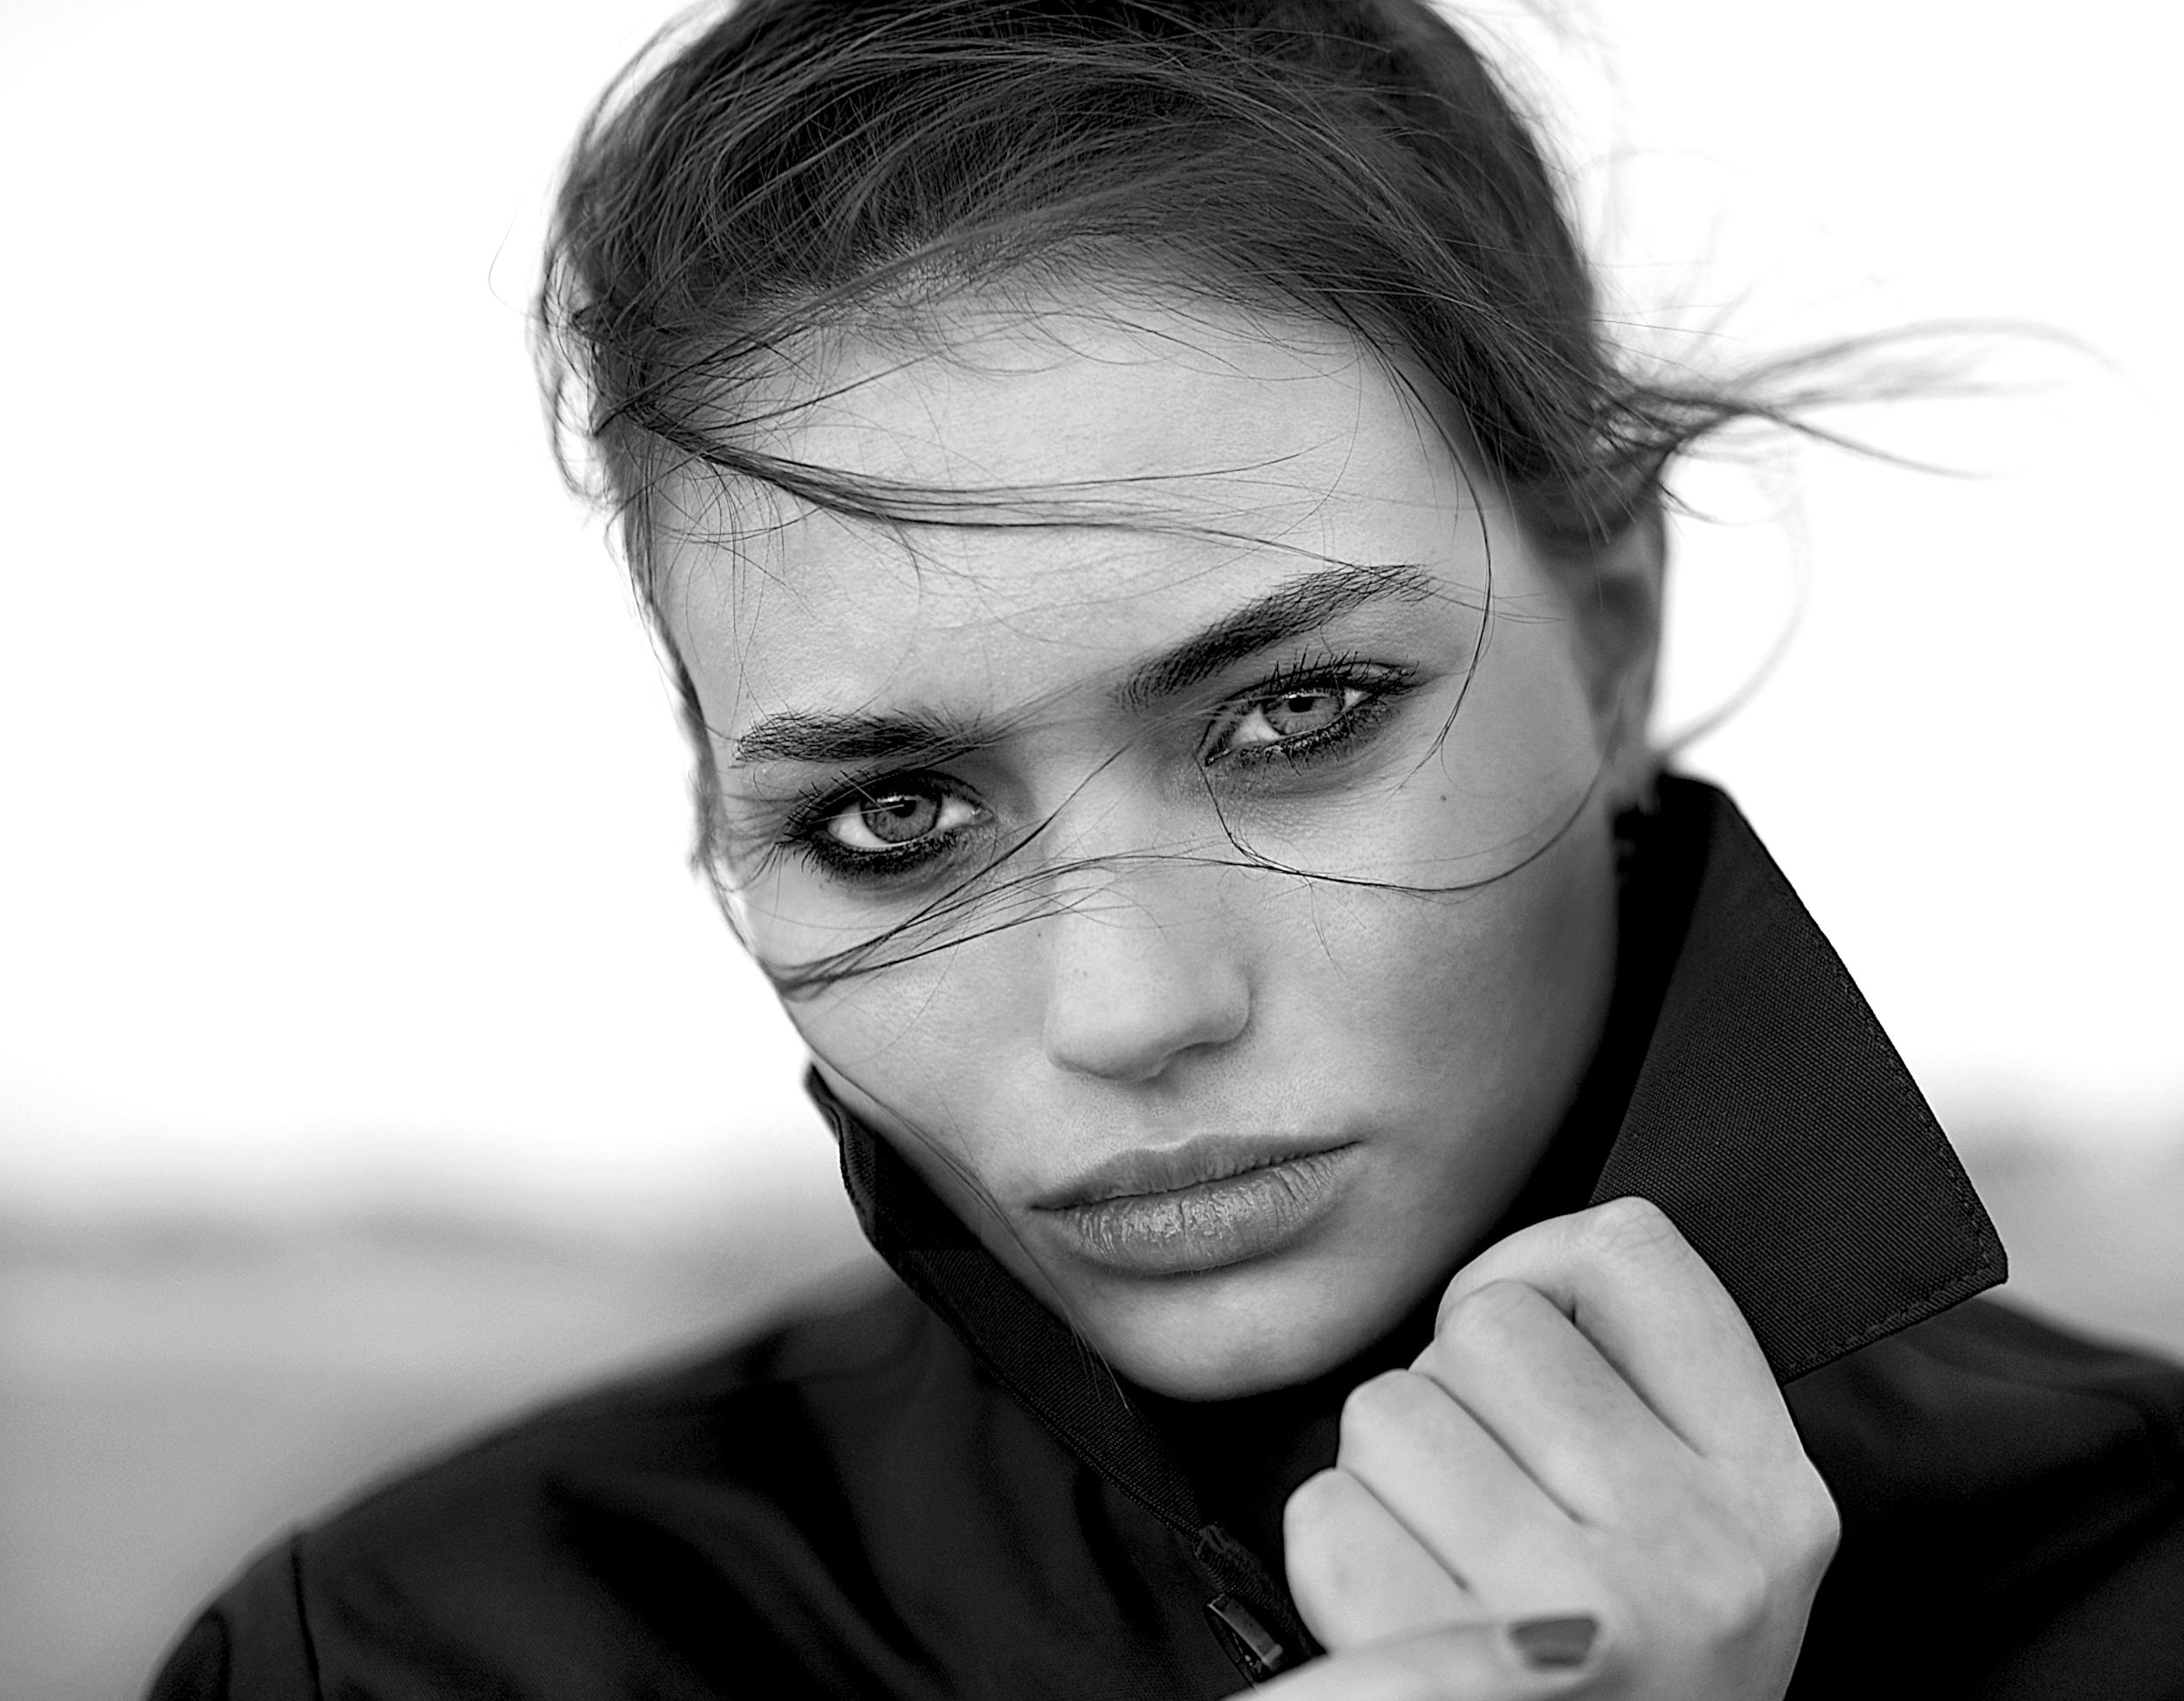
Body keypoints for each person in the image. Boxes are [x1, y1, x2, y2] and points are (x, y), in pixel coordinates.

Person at [148, 1, 2184, 1696]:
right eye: (892, 817)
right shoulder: (422, 1656)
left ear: (1615, 618)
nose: (1126, 1009)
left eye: (1294, 716)